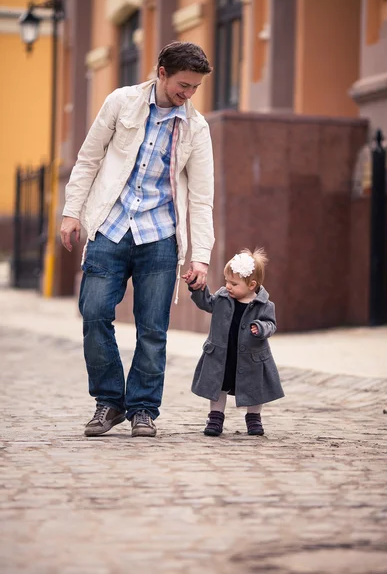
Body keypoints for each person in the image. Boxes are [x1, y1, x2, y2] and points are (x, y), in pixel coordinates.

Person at [60, 42, 214, 438]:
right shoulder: (120, 103)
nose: (188, 94)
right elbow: (89, 158)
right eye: (183, 84)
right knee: (93, 313)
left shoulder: (196, 128)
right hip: (110, 226)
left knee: (153, 328)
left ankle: (143, 408)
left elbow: (201, 197)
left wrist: (201, 257)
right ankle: (109, 402)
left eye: (195, 88)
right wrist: (72, 211)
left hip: (160, 235)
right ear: (161, 72)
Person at [183, 248, 284, 436]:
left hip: (250, 356)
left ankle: (254, 418)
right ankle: (215, 417)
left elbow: (271, 324)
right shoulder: (222, 298)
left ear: (252, 285)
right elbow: (206, 303)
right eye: (226, 281)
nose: (228, 286)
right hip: (223, 353)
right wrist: (196, 287)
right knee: (219, 385)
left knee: (255, 387)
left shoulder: (264, 305)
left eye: (234, 283)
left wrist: (261, 328)